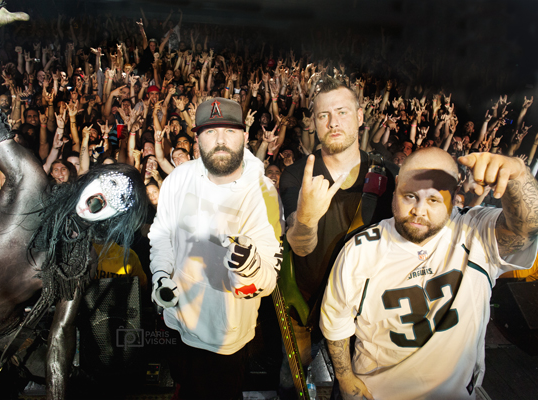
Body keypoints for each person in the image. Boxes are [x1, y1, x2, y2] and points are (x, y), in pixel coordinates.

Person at [0, 3, 147, 400]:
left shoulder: (78, 256)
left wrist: (57, 395)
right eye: (109, 183)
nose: (107, 197)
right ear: (89, 179)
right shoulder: (31, 184)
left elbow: (61, 333)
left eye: (120, 200)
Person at [320, 148, 538, 399]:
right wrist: (345, 379)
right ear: (397, 186)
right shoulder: (360, 250)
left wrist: (518, 176)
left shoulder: (475, 232)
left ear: (454, 195)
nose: (419, 211)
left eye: (434, 200)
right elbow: (336, 322)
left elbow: (526, 230)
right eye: (410, 196)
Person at [149, 97, 283, 399]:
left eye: (229, 131)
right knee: (183, 387)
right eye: (210, 132)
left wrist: (248, 269)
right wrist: (161, 275)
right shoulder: (178, 179)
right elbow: (161, 234)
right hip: (176, 322)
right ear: (197, 138)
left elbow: (266, 282)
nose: (220, 140)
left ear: (245, 136)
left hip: (224, 338)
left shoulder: (264, 193)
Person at [278, 76, 398, 388]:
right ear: (313, 124)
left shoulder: (388, 177)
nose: (333, 122)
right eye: (323, 115)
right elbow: (300, 247)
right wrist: (306, 218)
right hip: (309, 311)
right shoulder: (297, 176)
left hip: (367, 315)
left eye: (342, 112)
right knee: (294, 385)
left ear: (359, 117)